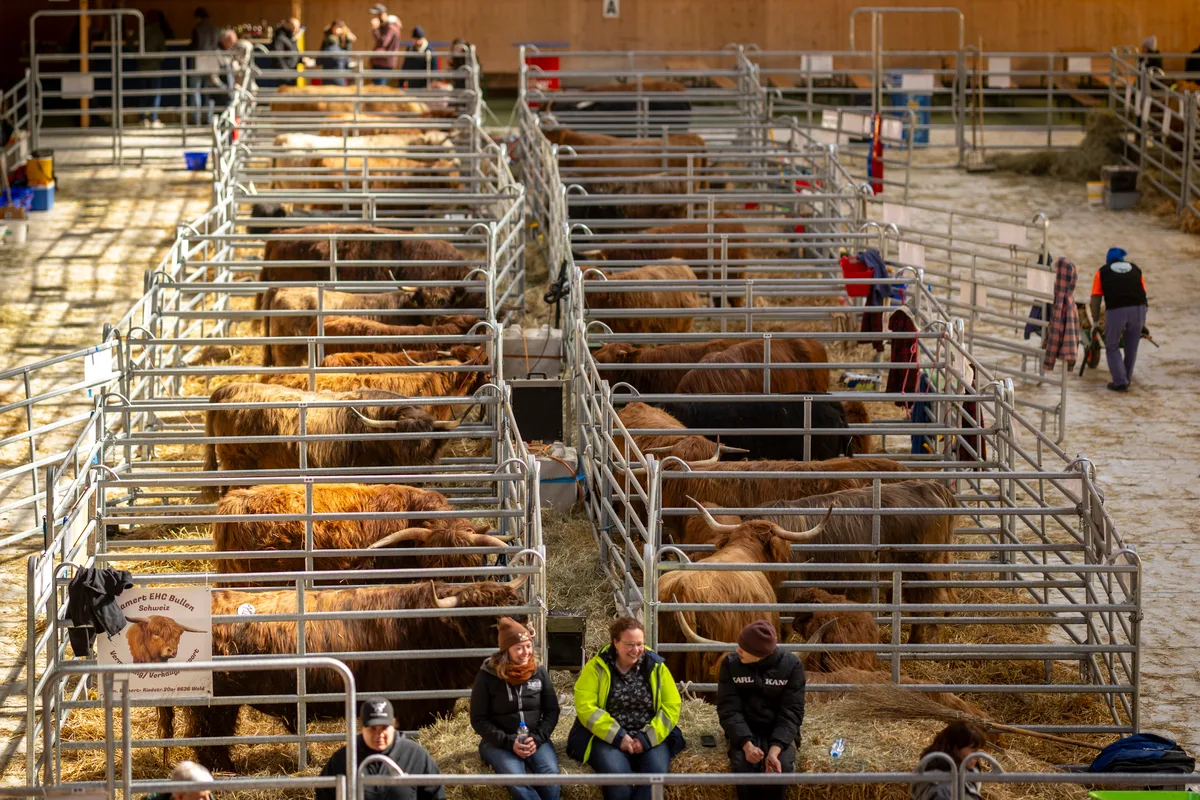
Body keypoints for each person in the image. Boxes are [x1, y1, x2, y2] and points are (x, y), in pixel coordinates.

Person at [567, 616, 685, 800]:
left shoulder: (656, 667)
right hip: (606, 737)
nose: (636, 650)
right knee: (618, 778)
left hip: (649, 734)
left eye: (640, 644)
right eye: (629, 644)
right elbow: (586, 708)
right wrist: (618, 736)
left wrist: (646, 739)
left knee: (655, 777)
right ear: (615, 642)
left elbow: (671, 706)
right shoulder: (596, 667)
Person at [470, 617, 561, 800]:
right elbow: (478, 719)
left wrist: (537, 738)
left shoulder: (538, 671)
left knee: (552, 782)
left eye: (527, 646)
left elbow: (552, 710)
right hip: (499, 742)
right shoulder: (488, 675)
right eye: (518, 648)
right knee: (517, 781)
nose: (525, 652)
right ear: (506, 650)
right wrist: (508, 742)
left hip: (534, 738)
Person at [715, 620, 806, 800]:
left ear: (761, 653)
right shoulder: (731, 664)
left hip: (778, 732)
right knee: (742, 766)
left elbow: (792, 713)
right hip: (745, 731)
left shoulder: (792, 666)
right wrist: (746, 744)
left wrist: (775, 750)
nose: (737, 650)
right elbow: (728, 709)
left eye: (744, 648)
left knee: (782, 768)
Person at [316, 697, 445, 800]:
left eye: (384, 728)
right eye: (372, 728)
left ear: (394, 725)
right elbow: (324, 794)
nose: (379, 735)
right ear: (362, 728)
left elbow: (435, 795)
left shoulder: (416, 756)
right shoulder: (343, 760)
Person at [1089, 247, 1149, 392]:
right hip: (1139, 309)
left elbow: (1095, 300)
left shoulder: (1102, 272)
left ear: (1108, 260)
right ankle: (1126, 379)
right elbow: (1143, 294)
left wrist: (1096, 323)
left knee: (1112, 345)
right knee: (1131, 348)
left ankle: (1120, 381)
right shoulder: (1136, 269)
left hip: (1116, 310)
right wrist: (1143, 323)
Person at [910, 721, 988, 800]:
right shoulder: (942, 787)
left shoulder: (967, 773)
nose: (977, 755)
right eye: (973, 750)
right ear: (955, 748)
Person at [134, 10, 172, 128]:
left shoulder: (141, 30)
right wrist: (156, 60)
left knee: (143, 93)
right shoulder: (158, 31)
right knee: (155, 93)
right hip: (154, 68)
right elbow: (163, 50)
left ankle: (142, 119)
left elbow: (128, 43)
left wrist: (137, 55)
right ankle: (154, 119)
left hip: (141, 67)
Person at [189, 8, 222, 124]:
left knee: (195, 90)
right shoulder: (217, 29)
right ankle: (209, 118)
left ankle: (196, 118)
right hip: (212, 61)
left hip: (199, 60)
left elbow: (194, 46)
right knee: (209, 91)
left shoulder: (197, 29)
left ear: (198, 17)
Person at [141, 760, 214, 800]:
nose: (207, 799)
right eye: (201, 798)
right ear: (180, 797)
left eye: (208, 794)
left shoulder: (206, 795)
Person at [261, 18, 301, 87]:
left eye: (297, 27)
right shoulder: (280, 38)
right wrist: (285, 73)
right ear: (287, 25)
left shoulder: (290, 38)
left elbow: (294, 53)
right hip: (283, 77)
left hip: (291, 75)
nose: (296, 29)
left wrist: (302, 60)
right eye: (294, 27)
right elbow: (277, 57)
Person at [369, 4, 402, 86]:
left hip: (384, 64)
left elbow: (384, 43)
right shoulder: (384, 26)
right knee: (376, 88)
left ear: (383, 14)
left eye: (376, 15)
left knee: (379, 89)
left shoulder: (391, 27)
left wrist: (375, 29)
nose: (374, 18)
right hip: (379, 62)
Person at [321, 20, 356, 85]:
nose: (337, 30)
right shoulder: (329, 37)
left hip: (342, 63)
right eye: (335, 27)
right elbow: (323, 50)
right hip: (330, 64)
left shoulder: (345, 37)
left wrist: (348, 40)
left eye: (339, 28)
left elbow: (348, 51)